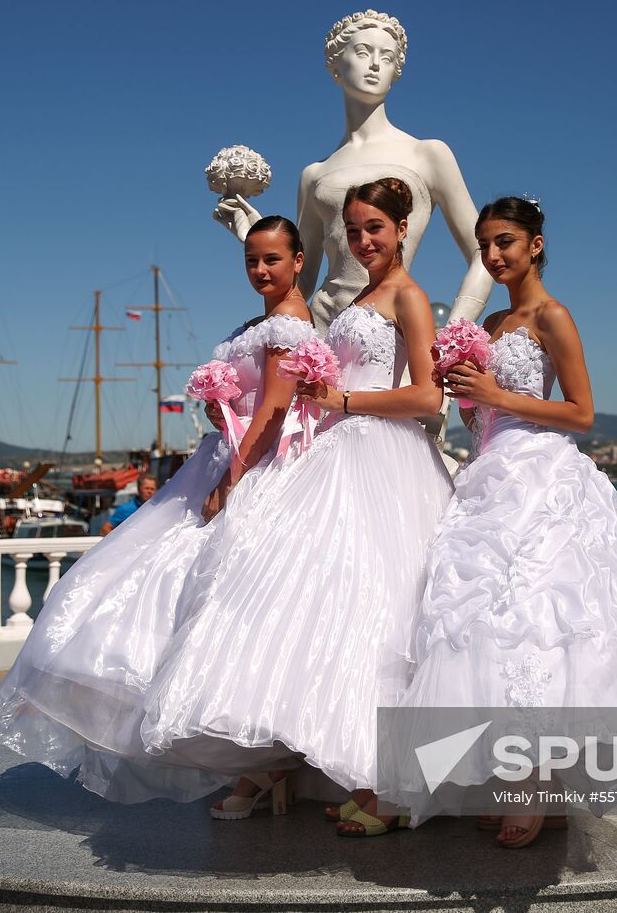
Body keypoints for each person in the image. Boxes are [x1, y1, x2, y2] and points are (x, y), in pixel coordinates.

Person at [138, 177, 452, 834]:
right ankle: (280, 756)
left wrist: (343, 402)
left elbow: (429, 399)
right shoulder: (364, 296)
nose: (364, 240)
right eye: (355, 230)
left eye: (376, 228)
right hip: (332, 451)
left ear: (402, 231)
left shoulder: (410, 297)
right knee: (316, 602)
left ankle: (383, 781)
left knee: (382, 606)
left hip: (383, 459)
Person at [0, 217, 316, 792]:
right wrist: (220, 410)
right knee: (170, 591)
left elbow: (275, 412)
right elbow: (251, 402)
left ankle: (256, 760)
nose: (260, 271)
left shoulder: (288, 326)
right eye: (251, 261)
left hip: (252, 468)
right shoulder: (266, 322)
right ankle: (250, 766)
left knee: (215, 603)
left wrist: (232, 480)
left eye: (272, 261)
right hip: (223, 455)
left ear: (299, 261)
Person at [392, 197, 617, 847]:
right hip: (487, 475)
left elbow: (582, 413)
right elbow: (482, 415)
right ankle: (520, 782)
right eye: (485, 246)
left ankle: (536, 783)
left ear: (534, 244)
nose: (494, 256)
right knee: (482, 621)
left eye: (505, 242)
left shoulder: (552, 316)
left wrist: (501, 395)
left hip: (542, 480)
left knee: (538, 619)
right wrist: (468, 394)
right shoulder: (492, 320)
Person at [213, 9, 493, 331]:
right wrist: (259, 239)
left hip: (390, 330)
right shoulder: (314, 174)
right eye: (363, 52)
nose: (375, 64)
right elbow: (301, 279)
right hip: (323, 331)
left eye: (387, 57)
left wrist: (452, 334)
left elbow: (483, 251)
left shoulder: (427, 154)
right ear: (336, 65)